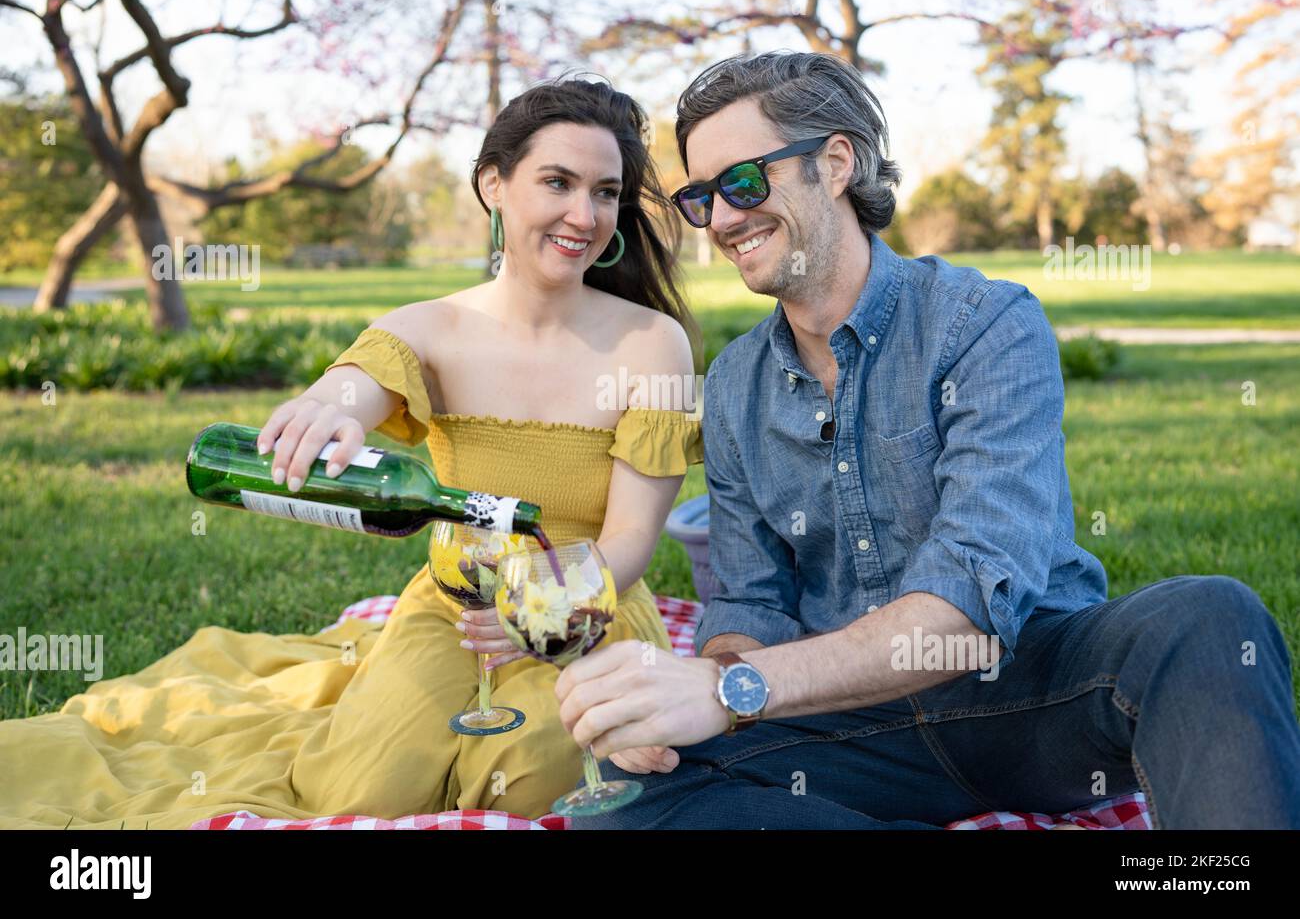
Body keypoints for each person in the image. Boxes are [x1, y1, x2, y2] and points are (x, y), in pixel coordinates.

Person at [555, 51, 1300, 829]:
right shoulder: (737, 383)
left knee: (1210, 618)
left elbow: (972, 599)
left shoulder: (984, 324)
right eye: (702, 198)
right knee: (626, 790)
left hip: (1032, 698)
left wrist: (729, 690)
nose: (726, 219)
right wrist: (691, 697)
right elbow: (752, 602)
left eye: (744, 182)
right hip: (855, 731)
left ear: (835, 163)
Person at [0, 76, 703, 828]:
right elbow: (353, 385)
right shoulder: (430, 327)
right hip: (458, 601)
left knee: (538, 784)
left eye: (603, 192)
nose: (583, 215)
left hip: (588, 603)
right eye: (557, 183)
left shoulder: (649, 341)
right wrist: (318, 410)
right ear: (493, 184)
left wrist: (555, 606)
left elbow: (632, 535)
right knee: (361, 793)